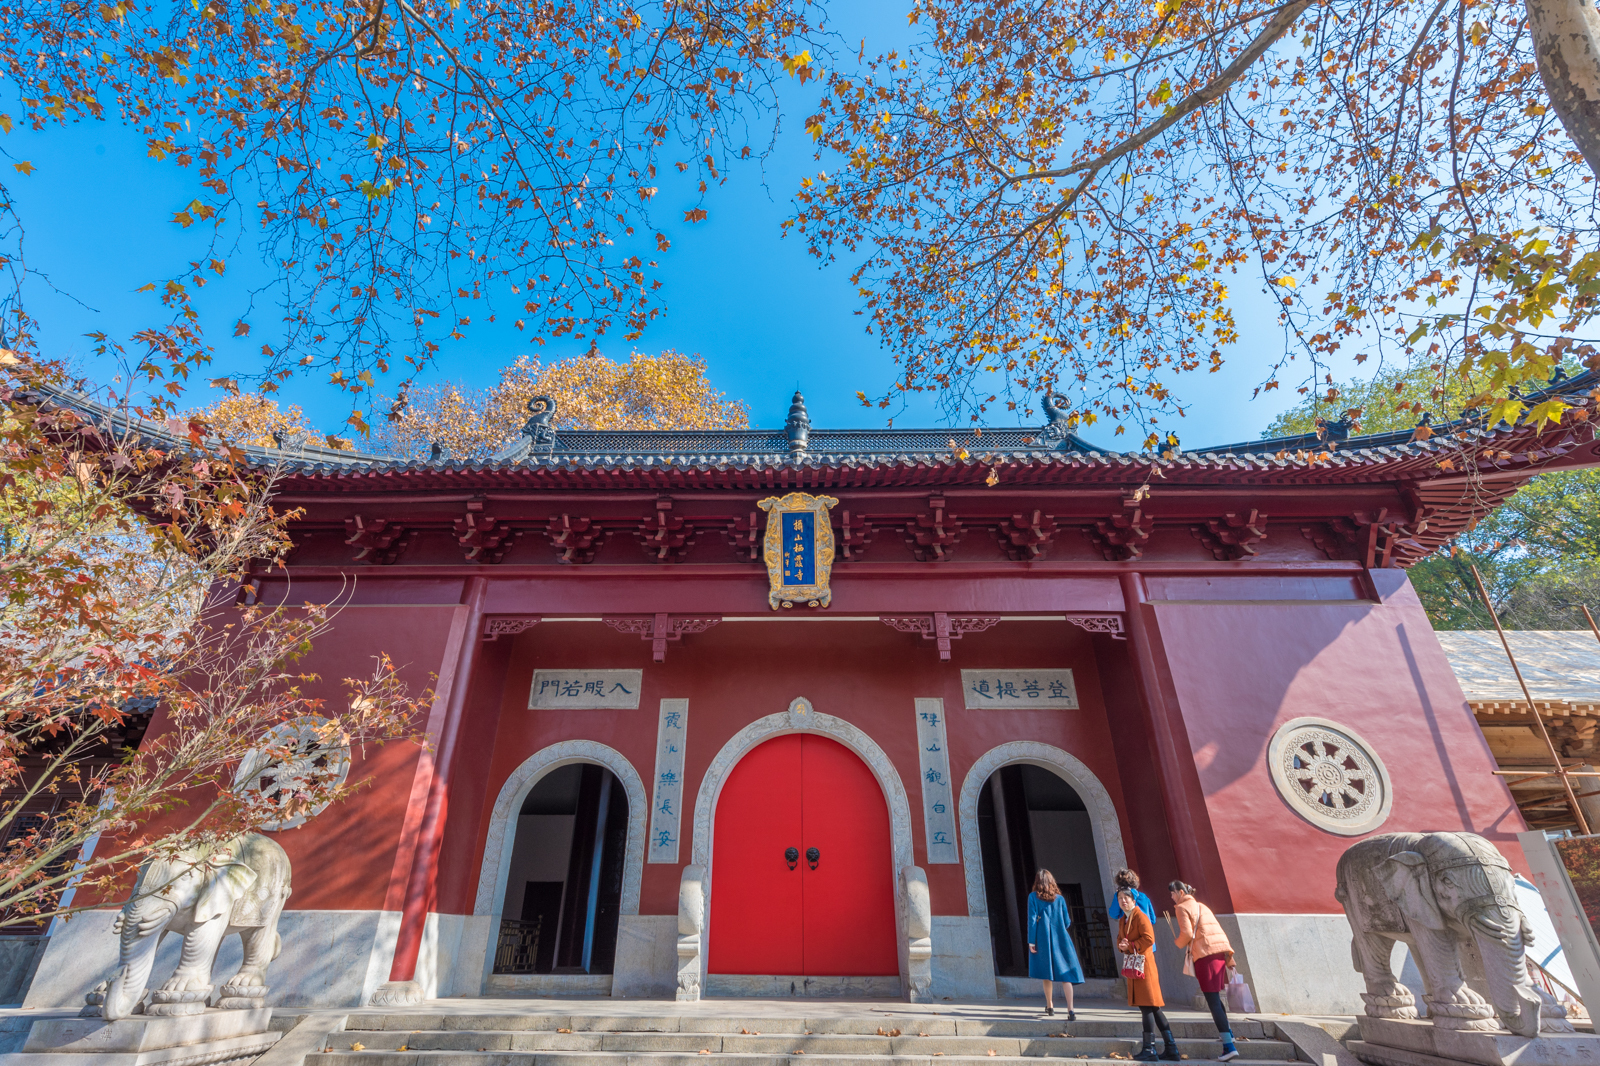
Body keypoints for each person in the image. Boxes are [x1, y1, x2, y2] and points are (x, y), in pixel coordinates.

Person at [1170, 880, 1240, 1062]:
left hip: (1204, 955)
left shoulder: (1181, 908)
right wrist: (1229, 956)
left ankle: (1228, 1046)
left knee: (1212, 1000)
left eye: (1172, 894)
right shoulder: (1202, 906)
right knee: (1216, 997)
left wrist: (1177, 943)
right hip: (1218, 955)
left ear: (1178, 892)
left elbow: (1186, 934)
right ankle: (1229, 1034)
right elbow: (1218, 930)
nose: (1171, 898)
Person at [1116, 888, 1179, 1062]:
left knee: (1147, 1006)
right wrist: (1121, 945)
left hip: (1145, 967)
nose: (1123, 901)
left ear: (1133, 900)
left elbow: (1149, 939)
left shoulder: (1140, 916)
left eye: (1126, 898)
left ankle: (1149, 1049)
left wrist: (1128, 946)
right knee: (1154, 1007)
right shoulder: (1123, 919)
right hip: (1135, 968)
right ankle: (1171, 1048)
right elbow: (1120, 938)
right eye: (1120, 898)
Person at [1026, 869, 1085, 1019]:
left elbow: (1032, 920)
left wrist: (1031, 941)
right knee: (1066, 975)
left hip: (1042, 938)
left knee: (1047, 974)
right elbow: (1067, 921)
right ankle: (1070, 1010)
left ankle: (1050, 1005)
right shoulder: (1060, 899)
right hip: (1061, 938)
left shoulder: (1033, 897)